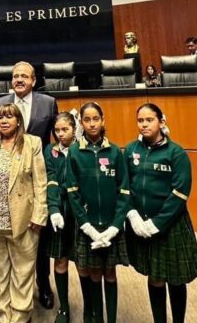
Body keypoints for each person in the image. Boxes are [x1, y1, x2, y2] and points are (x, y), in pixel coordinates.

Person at [124, 103, 197, 323]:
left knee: (175, 278)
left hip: (170, 226)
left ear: (161, 122)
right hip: (139, 223)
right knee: (155, 276)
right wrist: (132, 215)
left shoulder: (175, 153)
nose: (144, 125)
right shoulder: (131, 150)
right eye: (140, 120)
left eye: (149, 120)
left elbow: (180, 192)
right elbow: (124, 187)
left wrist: (156, 224)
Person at [0, 61, 58, 309]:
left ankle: (44, 284)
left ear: (33, 80)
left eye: (24, 76)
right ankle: (8, 292)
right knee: (7, 241)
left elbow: (51, 142)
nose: (18, 79)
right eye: (15, 76)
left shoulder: (48, 102)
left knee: (38, 238)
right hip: (7, 181)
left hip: (33, 178)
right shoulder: (0, 103)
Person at [0, 103, 48, 323]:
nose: (4, 121)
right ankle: (3, 313)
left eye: (9, 117)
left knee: (22, 272)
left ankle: (20, 315)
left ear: (18, 121)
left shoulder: (32, 143)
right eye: (0, 117)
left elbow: (40, 183)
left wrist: (39, 214)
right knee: (0, 272)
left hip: (24, 220)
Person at [66, 102, 129, 323]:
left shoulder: (115, 151)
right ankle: (97, 318)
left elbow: (124, 191)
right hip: (88, 226)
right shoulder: (74, 152)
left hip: (111, 225)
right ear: (81, 123)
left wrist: (115, 226)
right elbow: (72, 193)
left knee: (110, 273)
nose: (92, 124)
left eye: (96, 119)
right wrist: (88, 228)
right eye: (87, 120)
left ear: (103, 120)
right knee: (93, 272)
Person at [45, 112, 78, 323]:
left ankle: (91, 308)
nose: (60, 135)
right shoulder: (50, 150)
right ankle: (64, 308)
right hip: (59, 210)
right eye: (57, 130)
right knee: (60, 259)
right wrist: (54, 208)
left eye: (65, 129)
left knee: (84, 263)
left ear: (74, 129)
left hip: (78, 210)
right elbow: (51, 179)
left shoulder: (81, 148)